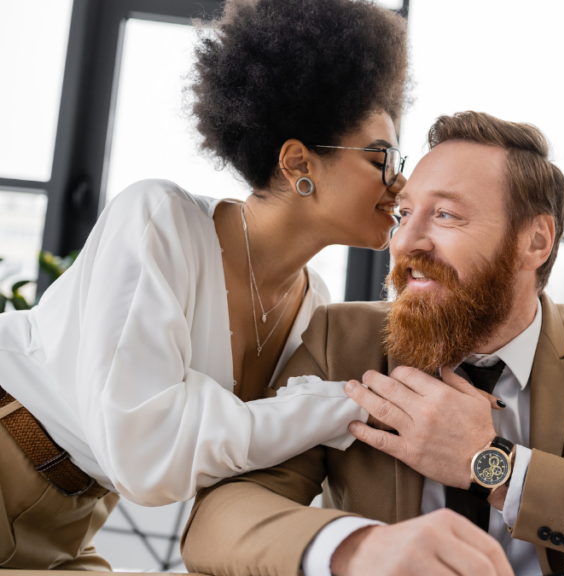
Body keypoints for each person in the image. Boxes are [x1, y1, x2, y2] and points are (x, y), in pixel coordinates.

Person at [180, 112, 564, 576]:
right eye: (403, 214)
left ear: (534, 241)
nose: (406, 242)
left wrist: (491, 464)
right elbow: (217, 519)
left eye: (444, 215)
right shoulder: (339, 340)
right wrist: (359, 548)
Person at [0, 0, 414, 569]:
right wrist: (341, 405)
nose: (402, 182)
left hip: (74, 511)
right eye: (383, 157)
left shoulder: (310, 302)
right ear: (299, 163)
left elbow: (235, 455)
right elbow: (147, 456)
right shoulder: (158, 221)